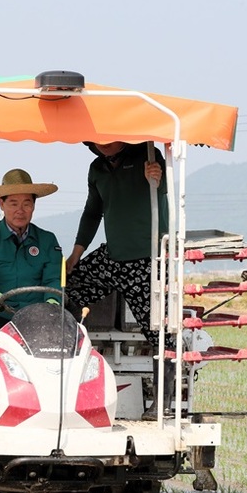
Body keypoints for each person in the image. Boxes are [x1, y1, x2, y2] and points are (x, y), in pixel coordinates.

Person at [64, 141, 169, 417]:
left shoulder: (148, 154)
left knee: (160, 332)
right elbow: (92, 212)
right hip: (113, 257)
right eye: (100, 137)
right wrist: (76, 255)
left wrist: (156, 179)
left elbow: (163, 190)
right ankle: (67, 364)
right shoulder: (97, 168)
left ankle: (162, 404)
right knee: (65, 292)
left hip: (149, 260)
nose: (107, 142)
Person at [0, 168, 63, 414]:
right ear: (1, 204)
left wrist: (51, 300)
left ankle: (60, 405)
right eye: (14, 203)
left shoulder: (48, 240)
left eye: (27, 203)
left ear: (34, 206)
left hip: (39, 320)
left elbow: (54, 278)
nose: (20, 210)